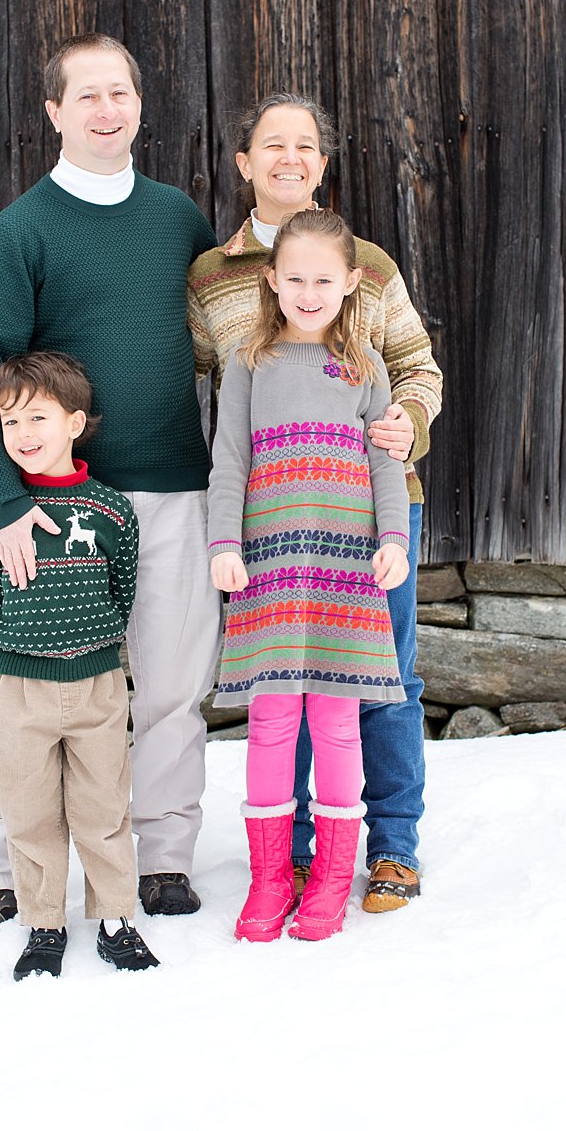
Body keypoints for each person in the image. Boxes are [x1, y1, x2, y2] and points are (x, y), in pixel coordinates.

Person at [0, 34, 223, 929]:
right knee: (30, 687)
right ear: (54, 111)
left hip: (172, 487)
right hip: (59, 501)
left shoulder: (178, 219)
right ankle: (0, 866)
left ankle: (165, 857)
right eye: (87, 96)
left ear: (140, 104)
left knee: (173, 686)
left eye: (120, 93)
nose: (107, 110)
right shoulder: (23, 228)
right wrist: (7, 503)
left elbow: (227, 332)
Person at [187, 93, 442, 913]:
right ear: (245, 162)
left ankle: (392, 845)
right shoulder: (212, 275)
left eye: (305, 145)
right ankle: (293, 853)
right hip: (271, 520)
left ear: (322, 164)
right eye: (273, 144)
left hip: (369, 508)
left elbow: (415, 366)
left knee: (383, 679)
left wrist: (408, 421)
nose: (289, 158)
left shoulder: (367, 263)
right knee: (286, 687)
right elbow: (196, 381)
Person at [206, 208, 412, 941]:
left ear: (352, 282)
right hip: (268, 563)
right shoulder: (248, 363)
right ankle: (270, 877)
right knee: (270, 719)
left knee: (335, 721)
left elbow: (387, 463)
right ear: (271, 279)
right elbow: (230, 460)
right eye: (295, 278)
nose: (309, 292)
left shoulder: (366, 366)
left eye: (324, 280)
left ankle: (329, 875)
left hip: (344, 566)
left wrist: (394, 538)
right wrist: (223, 543)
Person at [0, 352, 159, 979]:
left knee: (103, 807)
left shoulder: (110, 511)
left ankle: (115, 918)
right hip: (20, 685)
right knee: (28, 810)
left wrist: (92, 641)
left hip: (96, 683)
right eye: (9, 421)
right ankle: (44, 921)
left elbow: (121, 589)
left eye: (38, 417)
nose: (23, 434)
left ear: (75, 423)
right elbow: (1, 591)